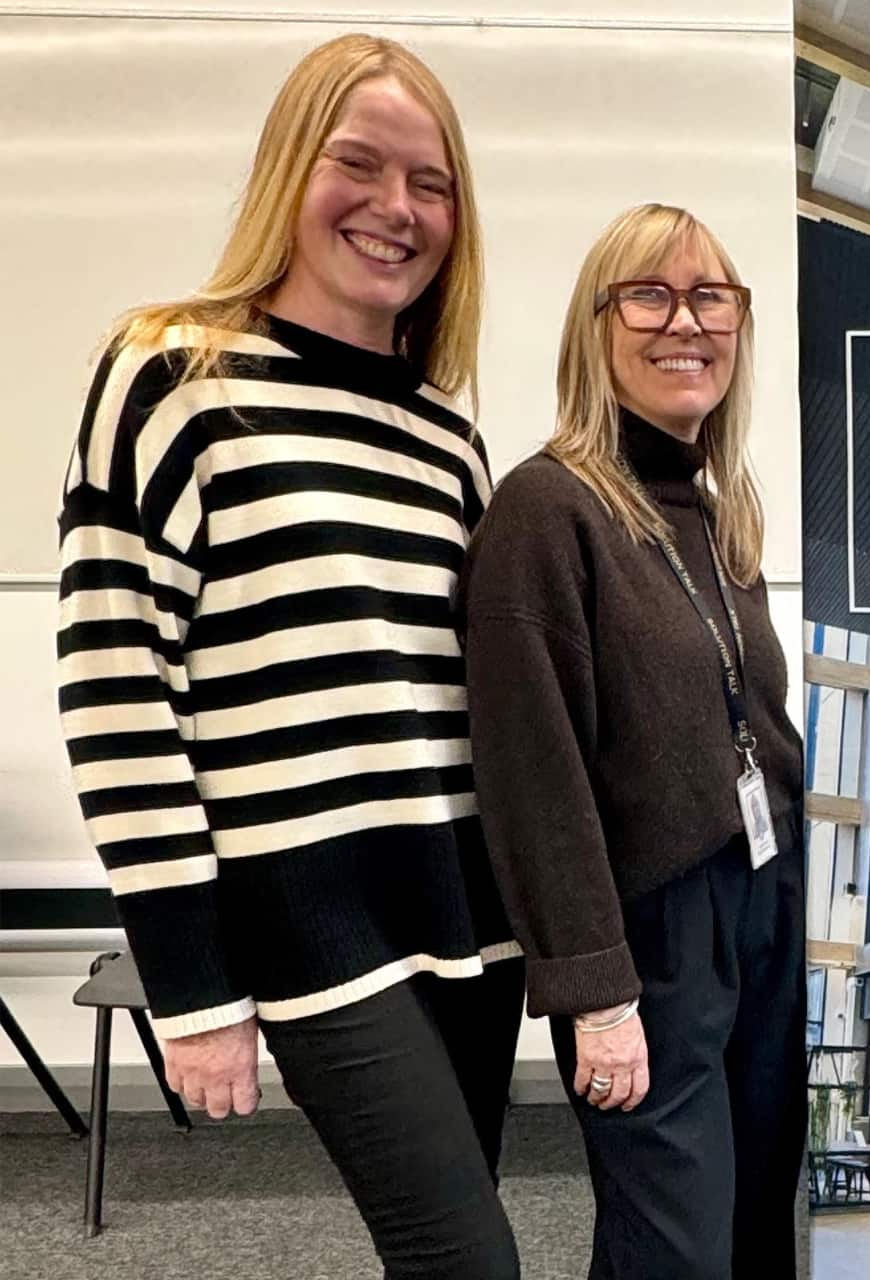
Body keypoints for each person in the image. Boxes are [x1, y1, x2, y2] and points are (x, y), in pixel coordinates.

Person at [54, 34, 523, 1279]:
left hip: (464, 916)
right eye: (357, 164)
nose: (395, 208)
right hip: (308, 920)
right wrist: (191, 984)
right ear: (286, 172)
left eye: (431, 183)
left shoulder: (447, 438)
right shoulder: (171, 375)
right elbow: (117, 693)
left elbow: (467, 707)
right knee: (469, 1259)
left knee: (448, 1244)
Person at [462, 203, 805, 1280]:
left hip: (765, 908)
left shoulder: (718, 517)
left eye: (711, 296)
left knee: (757, 1226)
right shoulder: (546, 509)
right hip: (652, 933)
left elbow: (757, 728)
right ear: (595, 326)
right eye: (648, 294)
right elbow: (534, 773)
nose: (685, 321)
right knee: (676, 1248)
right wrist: (595, 993)